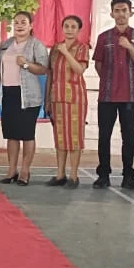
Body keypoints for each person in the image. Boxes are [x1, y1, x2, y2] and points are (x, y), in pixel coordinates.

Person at [92, 0, 134, 191]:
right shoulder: (104, 37)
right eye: (117, 11)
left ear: (130, 12)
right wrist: (109, 81)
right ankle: (103, 175)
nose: (121, 14)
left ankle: (128, 176)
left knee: (128, 137)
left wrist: (129, 47)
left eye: (124, 10)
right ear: (112, 14)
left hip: (129, 96)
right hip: (107, 96)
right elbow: (98, 64)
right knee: (104, 136)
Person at [0, 11, 49, 186]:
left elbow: (43, 69)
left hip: (28, 95)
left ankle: (25, 171)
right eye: (16, 22)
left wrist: (26, 64)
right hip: (8, 93)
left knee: (27, 134)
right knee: (11, 134)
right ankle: (11, 170)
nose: (19, 25)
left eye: (23, 22)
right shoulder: (6, 44)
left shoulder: (36, 45)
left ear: (31, 26)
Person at [45, 15, 90, 188]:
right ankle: (60, 174)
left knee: (75, 136)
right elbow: (51, 74)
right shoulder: (55, 48)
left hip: (75, 98)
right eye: (66, 26)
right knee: (60, 136)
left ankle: (73, 175)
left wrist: (65, 52)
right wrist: (48, 99)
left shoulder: (82, 48)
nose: (69, 30)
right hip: (57, 97)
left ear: (79, 30)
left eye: (73, 27)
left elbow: (79, 69)